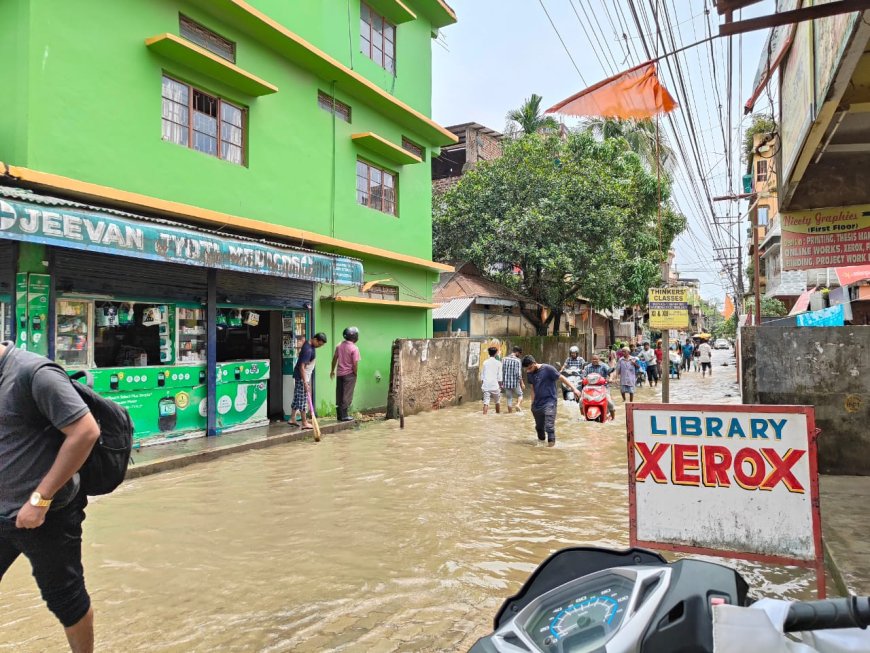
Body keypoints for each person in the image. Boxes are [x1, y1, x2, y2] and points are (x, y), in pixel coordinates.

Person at [0, 340, 101, 653]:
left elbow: (86, 432)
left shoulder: (34, 372)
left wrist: (40, 500)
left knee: (65, 598)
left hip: (45, 515)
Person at [521, 355, 580, 446]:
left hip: (550, 402)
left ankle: (551, 449)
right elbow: (533, 389)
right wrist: (532, 404)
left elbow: (561, 378)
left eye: (530, 368)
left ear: (534, 363)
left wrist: (574, 389)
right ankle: (541, 448)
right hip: (537, 404)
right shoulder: (529, 373)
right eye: (527, 369)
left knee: (549, 426)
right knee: (539, 428)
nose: (529, 370)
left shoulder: (548, 369)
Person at [288, 332, 328, 430]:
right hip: (302, 377)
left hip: (301, 376)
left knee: (297, 397)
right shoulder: (308, 350)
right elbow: (302, 367)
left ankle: (292, 418)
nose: (319, 346)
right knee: (302, 400)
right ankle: (304, 422)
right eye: (319, 344)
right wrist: (305, 382)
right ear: (315, 339)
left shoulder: (308, 344)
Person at [330, 326, 360, 422]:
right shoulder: (354, 348)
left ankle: (339, 415)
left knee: (339, 393)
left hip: (339, 374)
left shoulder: (339, 345)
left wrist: (332, 370)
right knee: (347, 395)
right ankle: (344, 416)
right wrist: (355, 374)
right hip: (349, 374)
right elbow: (355, 364)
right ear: (354, 337)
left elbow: (334, 358)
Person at [582, 354, 616, 419]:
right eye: (593, 359)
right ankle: (583, 415)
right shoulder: (587, 367)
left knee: (609, 402)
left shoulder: (604, 366)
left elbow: (610, 372)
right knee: (581, 401)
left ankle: (613, 418)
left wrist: (611, 378)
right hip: (590, 388)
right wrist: (583, 379)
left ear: (599, 360)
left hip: (603, 387)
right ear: (591, 360)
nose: (595, 361)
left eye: (596, 359)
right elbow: (583, 376)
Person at [501, 346, 525, 413]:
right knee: (520, 395)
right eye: (519, 353)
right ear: (517, 352)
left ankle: (510, 414)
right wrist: (522, 383)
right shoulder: (518, 361)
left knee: (509, 398)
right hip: (515, 383)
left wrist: (501, 382)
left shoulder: (504, 359)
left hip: (506, 383)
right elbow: (519, 374)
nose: (519, 355)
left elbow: (502, 371)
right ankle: (518, 405)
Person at [480, 346, 502, 415]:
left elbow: (482, 376)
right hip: (495, 385)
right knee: (497, 401)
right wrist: (500, 386)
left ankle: (484, 416)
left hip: (486, 385)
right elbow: (499, 377)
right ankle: (498, 415)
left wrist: (483, 384)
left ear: (489, 353)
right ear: (496, 353)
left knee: (486, 402)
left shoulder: (485, 362)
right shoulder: (498, 363)